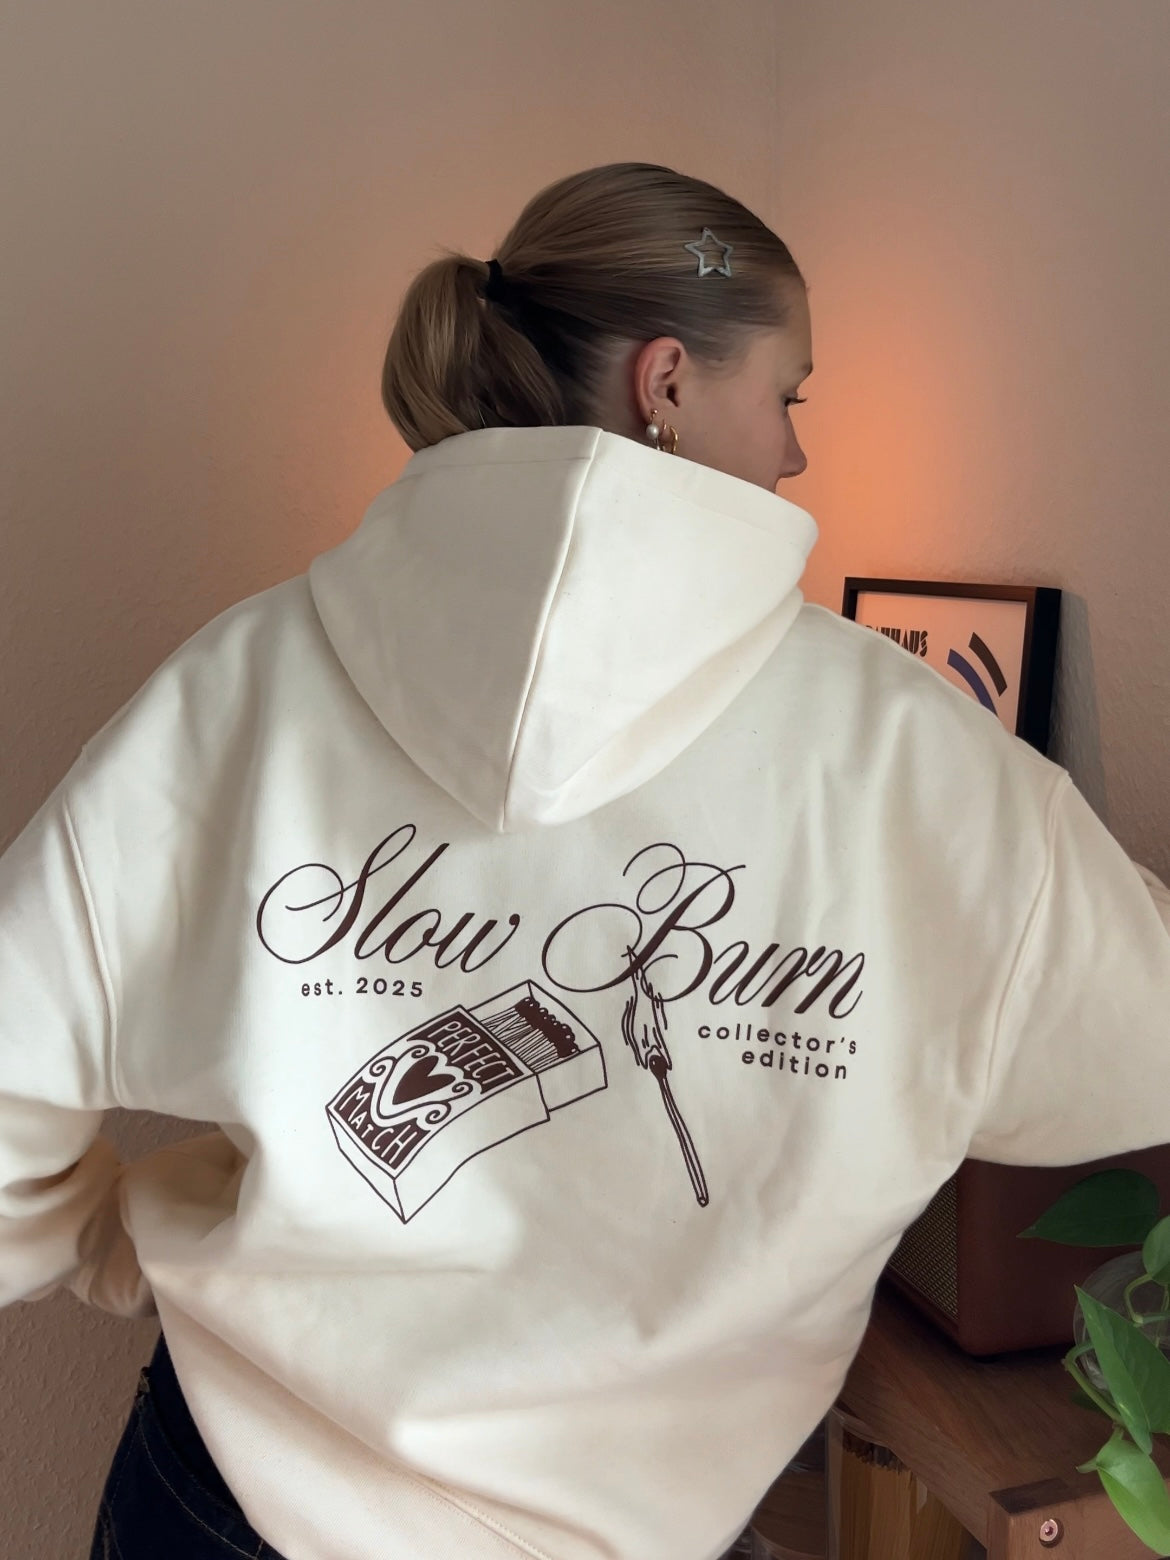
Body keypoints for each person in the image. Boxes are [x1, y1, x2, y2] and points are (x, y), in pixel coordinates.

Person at [1, 160, 1167, 1560]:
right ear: (665, 382)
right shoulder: (911, 752)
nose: (795, 453)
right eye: (789, 394)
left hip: (228, 1498)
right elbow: (1135, 1042)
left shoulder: (238, 684)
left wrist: (126, 1251)